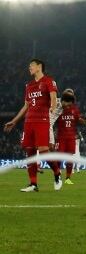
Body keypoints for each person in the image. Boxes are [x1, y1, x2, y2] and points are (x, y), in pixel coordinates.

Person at [3, 59, 63, 192]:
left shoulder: (49, 81)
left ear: (39, 67)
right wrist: (14, 121)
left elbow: (53, 97)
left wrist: (52, 108)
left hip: (42, 120)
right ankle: (33, 184)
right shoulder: (29, 85)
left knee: (43, 151)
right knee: (29, 152)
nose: (29, 68)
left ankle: (57, 173)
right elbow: (26, 106)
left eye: (31, 66)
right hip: (29, 121)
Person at [53, 89, 86, 185]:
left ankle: (68, 178)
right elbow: (53, 119)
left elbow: (78, 119)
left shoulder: (75, 109)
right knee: (59, 157)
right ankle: (57, 175)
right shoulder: (59, 107)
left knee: (70, 158)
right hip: (61, 137)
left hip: (71, 137)